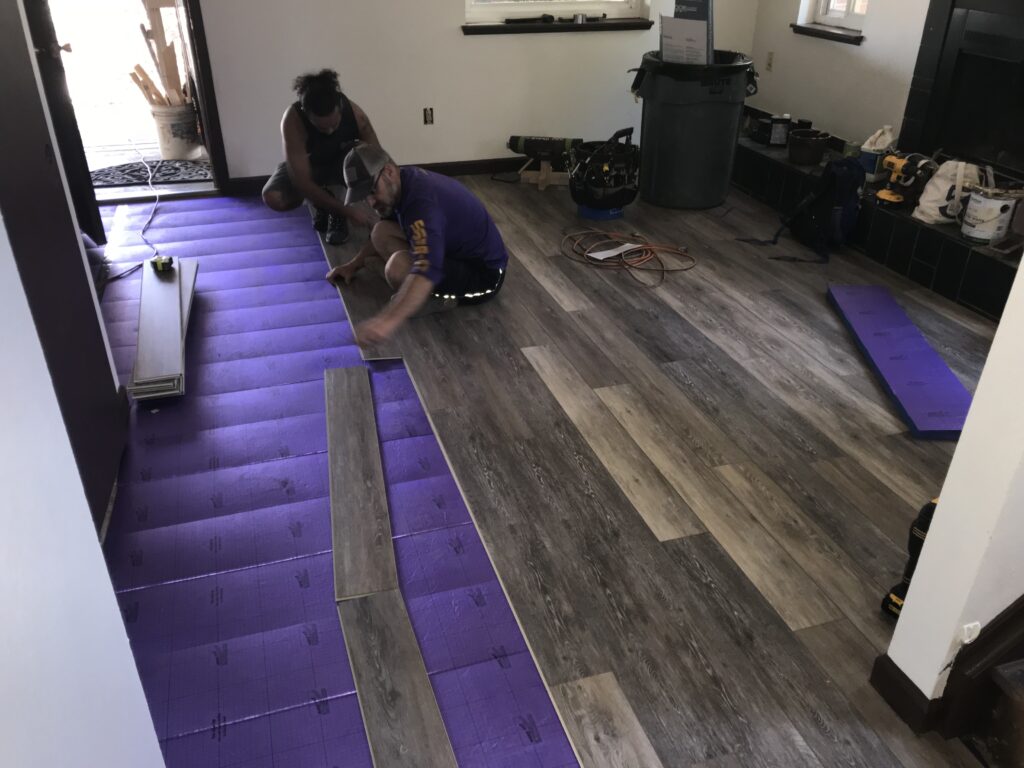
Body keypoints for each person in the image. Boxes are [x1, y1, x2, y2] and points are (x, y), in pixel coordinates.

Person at [327, 144, 508, 345]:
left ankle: (438, 299)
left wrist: (384, 323)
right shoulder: (405, 181)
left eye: (372, 190)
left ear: (388, 172)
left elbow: (427, 269)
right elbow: (389, 229)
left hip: (484, 276)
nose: (371, 202)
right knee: (381, 231)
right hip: (454, 251)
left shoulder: (423, 206)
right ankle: (413, 289)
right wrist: (353, 265)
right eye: (364, 196)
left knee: (396, 268)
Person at [262, 69, 379, 244]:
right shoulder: (292, 121)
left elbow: (378, 160)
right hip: (309, 166)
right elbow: (301, 181)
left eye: (334, 125)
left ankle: (328, 202)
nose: (330, 131)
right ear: (306, 114)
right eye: (323, 128)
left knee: (364, 158)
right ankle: (326, 205)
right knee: (273, 197)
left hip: (342, 164)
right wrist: (347, 212)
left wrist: (389, 203)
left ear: (339, 107)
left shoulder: (357, 115)